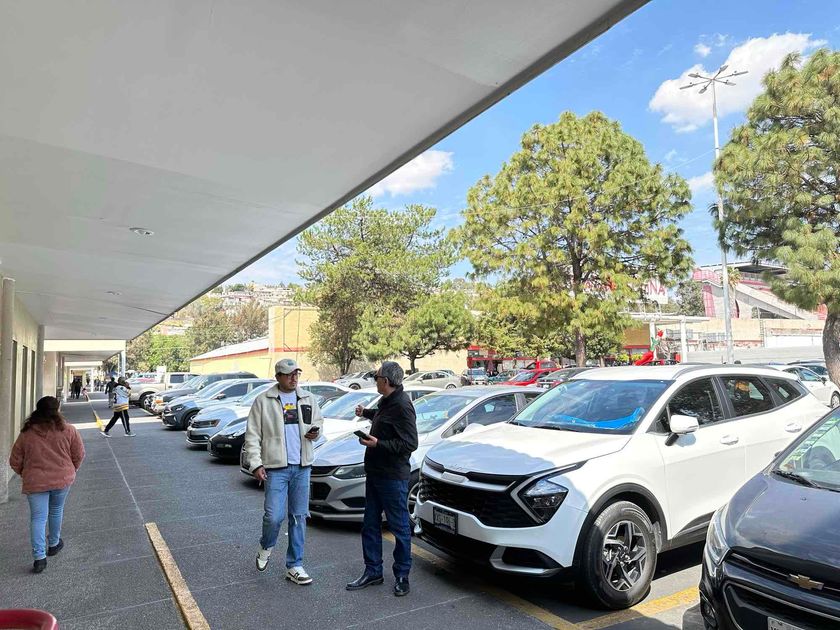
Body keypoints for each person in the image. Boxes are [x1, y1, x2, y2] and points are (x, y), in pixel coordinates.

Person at [243, 358, 323, 585]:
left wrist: (315, 432)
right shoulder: (263, 401)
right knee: (274, 516)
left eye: (296, 373)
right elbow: (252, 436)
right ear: (278, 376)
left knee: (299, 517)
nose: (294, 378)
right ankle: (266, 545)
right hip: (276, 468)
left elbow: (318, 422)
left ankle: (294, 565)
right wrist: (256, 464)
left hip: (302, 467)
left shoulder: (307, 398)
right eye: (289, 374)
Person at [346, 361, 418, 597]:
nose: (374, 380)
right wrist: (366, 413)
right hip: (376, 473)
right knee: (370, 524)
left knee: (399, 528)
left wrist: (379, 444)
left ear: (385, 381)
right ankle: (373, 571)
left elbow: (410, 443)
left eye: (376, 377)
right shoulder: (387, 401)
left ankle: (402, 576)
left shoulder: (402, 405)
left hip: (392, 477)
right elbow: (382, 417)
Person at [9, 396, 85, 573]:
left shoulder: (27, 433)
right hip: (62, 479)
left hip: (35, 482)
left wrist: (25, 473)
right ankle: (54, 543)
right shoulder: (68, 430)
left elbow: (14, 460)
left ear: (38, 410)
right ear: (57, 410)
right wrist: (71, 470)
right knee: (56, 510)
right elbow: (79, 454)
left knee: (38, 518)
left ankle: (39, 558)